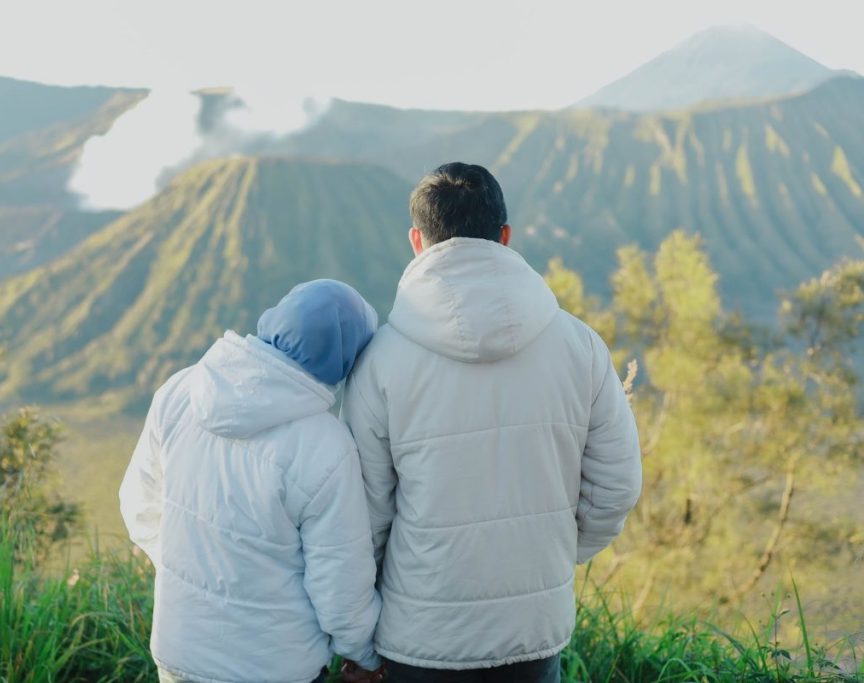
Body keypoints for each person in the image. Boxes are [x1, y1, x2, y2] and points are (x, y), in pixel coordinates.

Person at [341, 163, 643, 683]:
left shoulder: (380, 360)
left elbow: (363, 515)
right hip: (533, 629)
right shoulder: (581, 347)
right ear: (505, 236)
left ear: (418, 240)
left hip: (420, 636)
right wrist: (545, 554)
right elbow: (616, 489)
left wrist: (355, 631)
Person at [120, 279, 385, 683]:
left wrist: (191, 571)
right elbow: (339, 585)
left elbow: (140, 507)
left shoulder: (180, 390)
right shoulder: (326, 447)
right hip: (274, 667)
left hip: (178, 655)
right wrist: (363, 655)